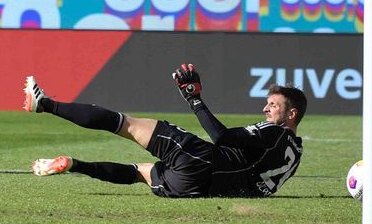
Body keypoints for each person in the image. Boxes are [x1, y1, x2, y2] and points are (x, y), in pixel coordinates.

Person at [25, 64, 307, 198]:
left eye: (273, 105)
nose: (266, 110)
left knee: (126, 124)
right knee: (138, 172)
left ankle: (45, 104)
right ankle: (75, 165)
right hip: (198, 190)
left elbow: (222, 138)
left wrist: (194, 99)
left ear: (291, 114)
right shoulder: (295, 151)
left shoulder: (277, 133)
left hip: (202, 161)